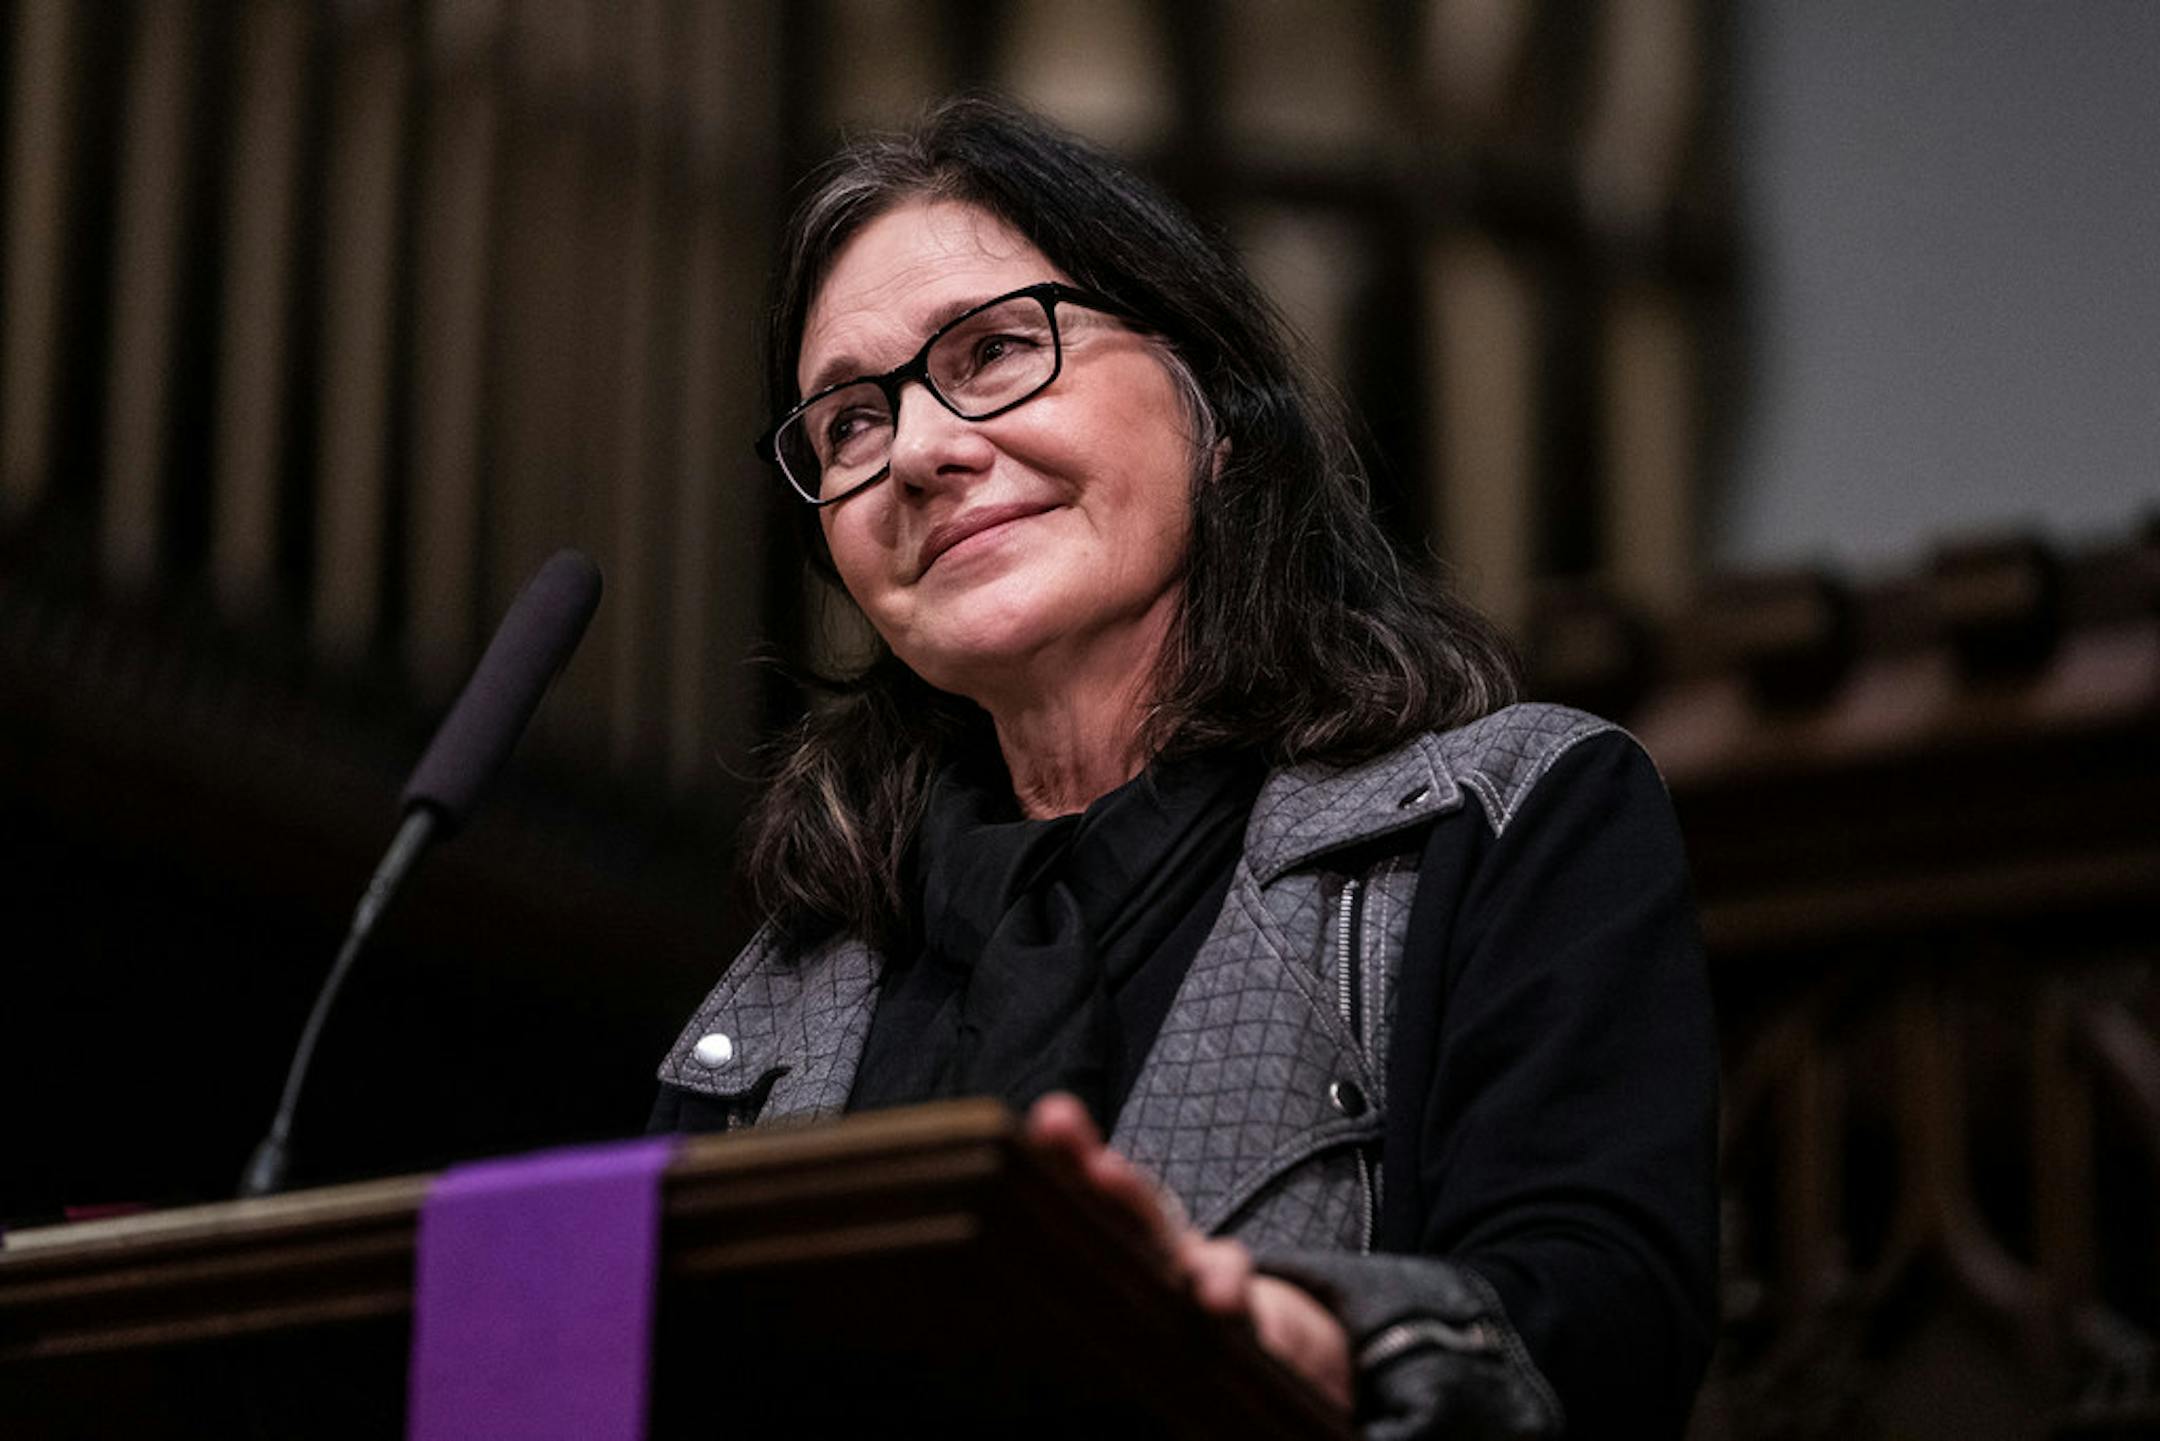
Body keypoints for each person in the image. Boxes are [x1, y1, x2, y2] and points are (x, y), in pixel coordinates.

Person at [651, 95, 1718, 1438]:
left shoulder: (1501, 825)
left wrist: (1326, 1340)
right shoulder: (778, 1002)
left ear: (1215, 407)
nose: (919, 450)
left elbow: (1607, 1316)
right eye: (850, 422)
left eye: (991, 351)